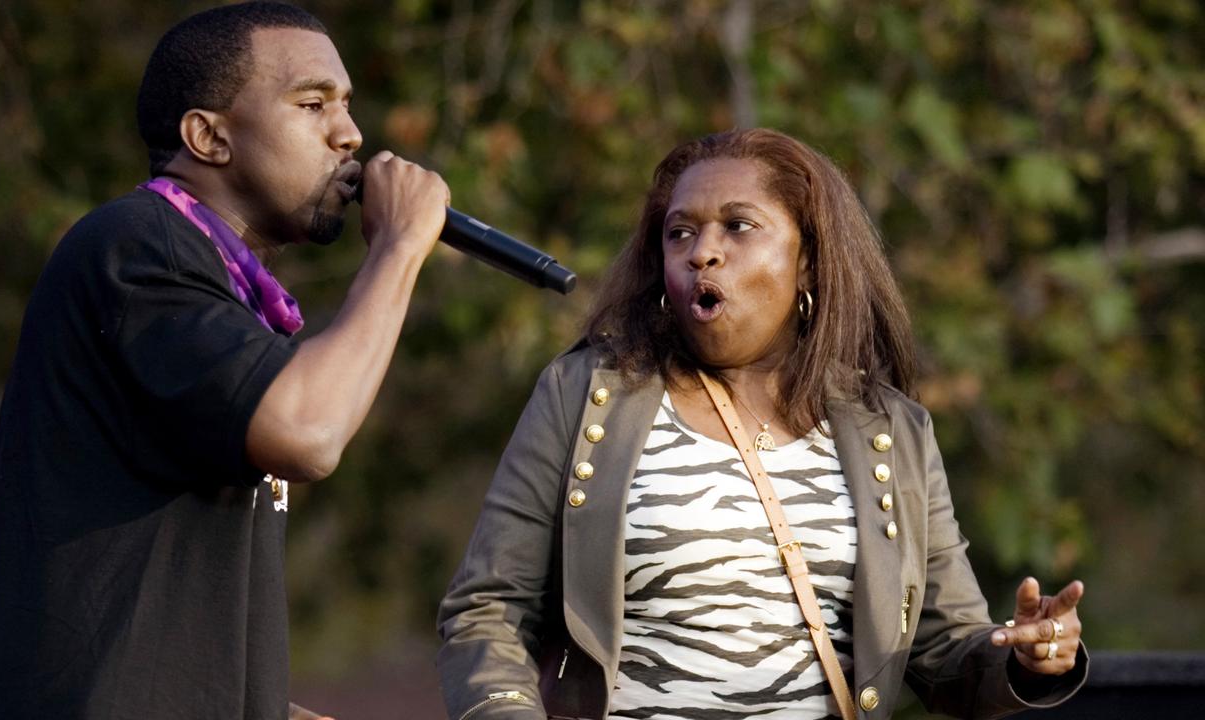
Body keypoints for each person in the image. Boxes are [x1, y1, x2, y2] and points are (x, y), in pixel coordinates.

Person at [437, 128, 1088, 719]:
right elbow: (487, 609)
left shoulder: (889, 429)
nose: (702, 253)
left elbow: (948, 652)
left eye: (738, 227)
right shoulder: (586, 395)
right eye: (680, 232)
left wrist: (1025, 658)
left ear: (808, 259)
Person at [0, 3, 449, 719]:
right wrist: (399, 249)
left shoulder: (220, 292)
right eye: (312, 104)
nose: (350, 135)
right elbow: (306, 432)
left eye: (346, 105)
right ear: (208, 136)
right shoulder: (136, 244)